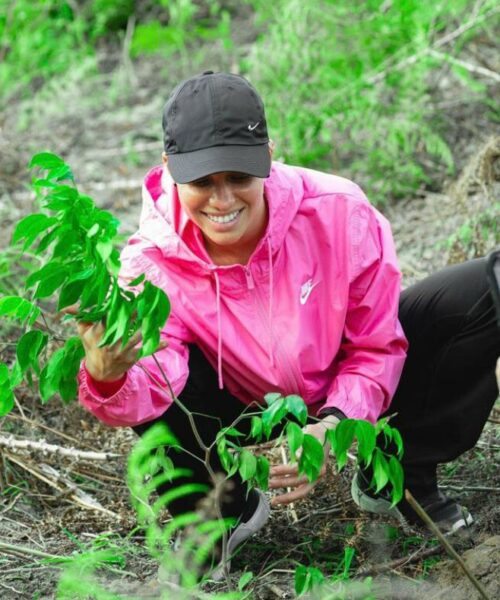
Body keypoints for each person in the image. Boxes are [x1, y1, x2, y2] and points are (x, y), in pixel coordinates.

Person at [77, 71, 499, 577]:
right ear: (169, 169)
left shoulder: (339, 213)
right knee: (153, 374)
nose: (223, 200)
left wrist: (338, 426)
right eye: (202, 182)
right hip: (241, 406)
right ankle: (221, 510)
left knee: (482, 293)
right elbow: (152, 389)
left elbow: (376, 347)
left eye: (238, 176)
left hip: (346, 387)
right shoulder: (152, 263)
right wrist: (108, 375)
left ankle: (399, 474)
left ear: (268, 156)